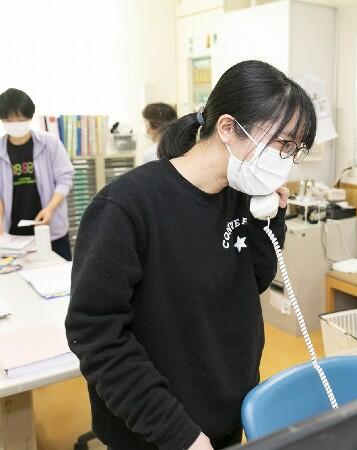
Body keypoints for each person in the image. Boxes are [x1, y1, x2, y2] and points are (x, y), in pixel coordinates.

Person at [65, 60, 316, 450]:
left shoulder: (244, 194)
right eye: (282, 144)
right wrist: (179, 434)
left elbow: (253, 282)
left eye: (295, 149)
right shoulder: (127, 205)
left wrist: (271, 220)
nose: (286, 159)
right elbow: (97, 335)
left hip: (228, 411)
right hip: (153, 427)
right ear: (228, 128)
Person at [0, 88, 74, 260]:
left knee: (60, 279)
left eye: (20, 118)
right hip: (13, 235)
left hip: (51, 230)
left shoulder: (50, 143)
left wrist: (49, 209)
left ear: (30, 117)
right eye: (9, 119)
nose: (16, 123)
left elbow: (65, 179)